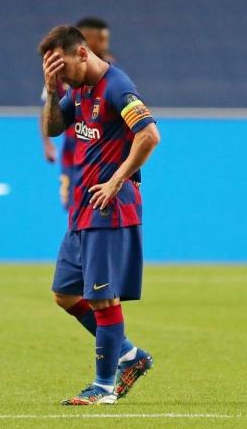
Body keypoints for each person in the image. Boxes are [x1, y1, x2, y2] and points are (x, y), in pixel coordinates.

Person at [39, 25, 160, 405]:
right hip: (82, 210)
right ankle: (129, 355)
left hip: (109, 209)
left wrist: (116, 181)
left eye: (63, 69)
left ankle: (103, 388)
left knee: (103, 299)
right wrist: (53, 91)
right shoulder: (77, 90)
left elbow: (149, 135)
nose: (62, 77)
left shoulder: (116, 87)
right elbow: (53, 128)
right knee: (64, 294)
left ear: (82, 53)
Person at [39, 17, 113, 209]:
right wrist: (47, 143)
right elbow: (47, 107)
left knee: (98, 205)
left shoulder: (111, 73)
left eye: (106, 39)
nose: (105, 44)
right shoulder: (60, 70)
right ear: (86, 41)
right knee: (73, 203)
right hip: (73, 147)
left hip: (101, 148)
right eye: (101, 39)